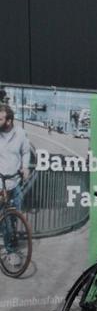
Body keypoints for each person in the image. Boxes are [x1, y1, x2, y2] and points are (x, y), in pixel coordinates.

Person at [0, 104, 32, 252]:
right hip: (0, 184)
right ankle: (10, 249)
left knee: (12, 219)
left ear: (9, 121)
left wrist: (25, 167)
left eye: (0, 118)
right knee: (5, 220)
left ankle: (9, 243)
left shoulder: (20, 133)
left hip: (15, 183)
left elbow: (26, 152)